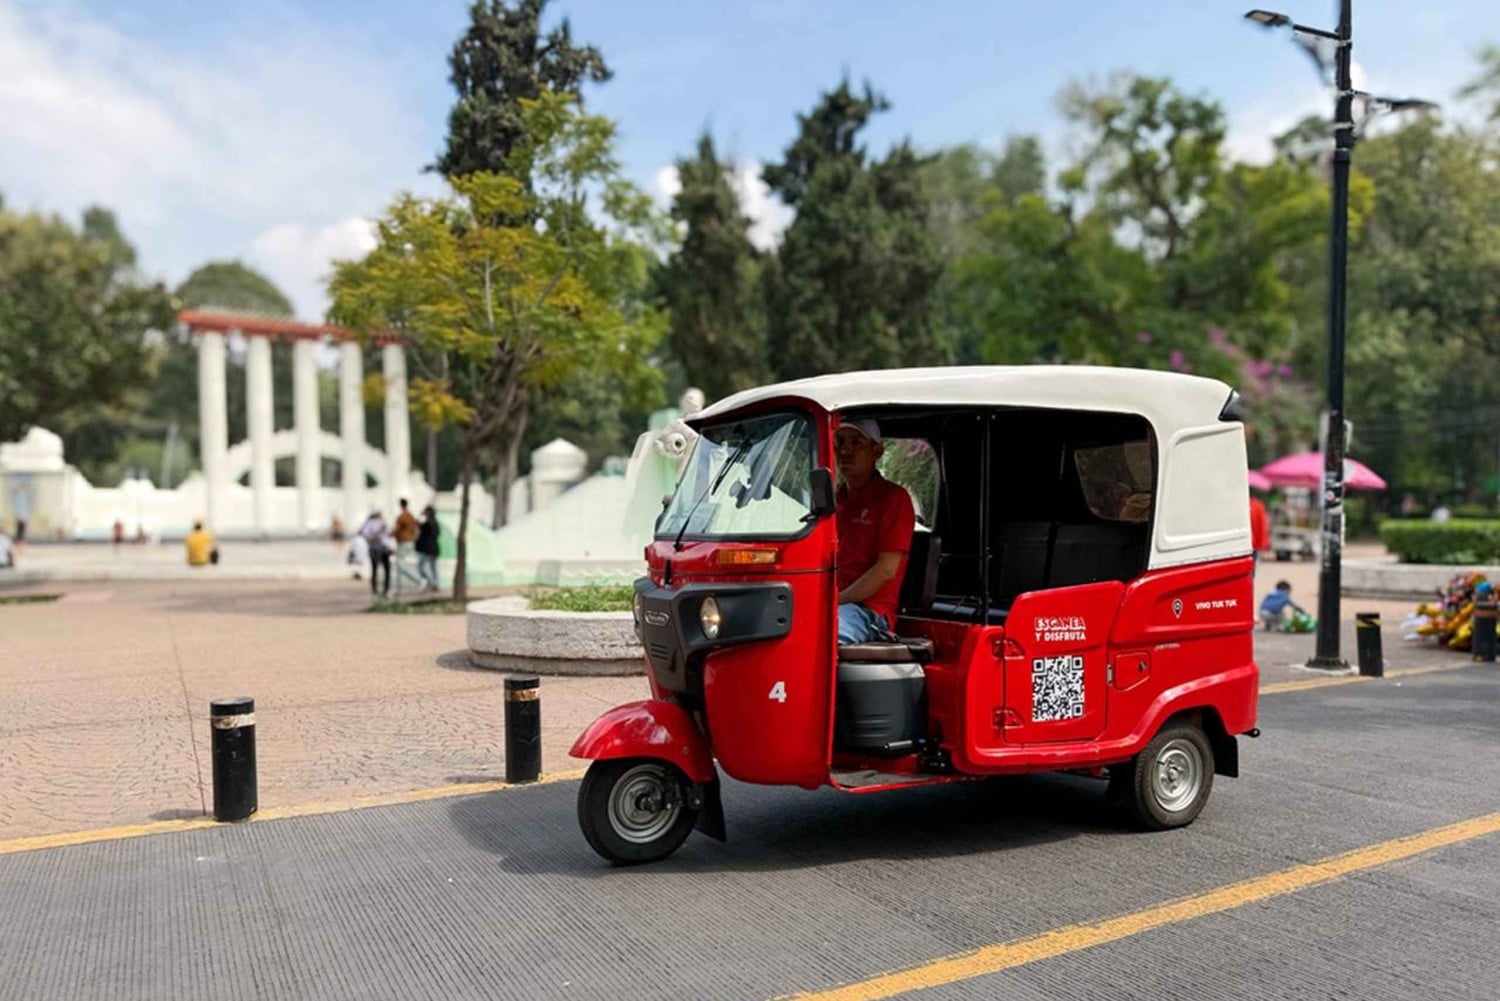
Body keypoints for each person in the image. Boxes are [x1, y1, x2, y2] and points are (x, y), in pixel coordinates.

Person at [834, 419, 915, 645]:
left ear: (876, 451)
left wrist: (836, 601)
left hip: (868, 612)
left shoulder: (893, 499)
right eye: (839, 442)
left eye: (856, 443)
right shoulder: (835, 500)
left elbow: (886, 570)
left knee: (820, 637)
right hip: (833, 603)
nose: (845, 451)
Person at [392, 498, 422, 594]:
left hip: (404, 542)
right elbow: (416, 528)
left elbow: (396, 529)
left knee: (400, 564)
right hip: (409, 541)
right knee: (399, 565)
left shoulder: (403, 516)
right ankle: (398, 587)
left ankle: (419, 579)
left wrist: (389, 534)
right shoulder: (411, 516)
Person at [361, 510, 390, 597]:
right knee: (375, 569)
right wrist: (375, 535)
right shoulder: (370, 524)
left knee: (385, 569)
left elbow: (387, 535)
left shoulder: (383, 523)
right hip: (375, 548)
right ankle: (376, 589)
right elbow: (366, 535)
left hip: (383, 548)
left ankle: (385, 589)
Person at [415, 505, 441, 592]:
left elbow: (418, 526)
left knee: (422, 566)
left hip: (427, 549)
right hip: (433, 548)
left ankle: (432, 582)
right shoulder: (435, 523)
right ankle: (434, 583)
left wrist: (420, 515)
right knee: (432, 567)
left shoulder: (427, 524)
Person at [1249, 491, 1270, 564]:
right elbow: (1263, 526)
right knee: (1253, 563)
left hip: (1248, 541)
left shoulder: (1246, 504)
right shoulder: (1259, 505)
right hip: (1255, 542)